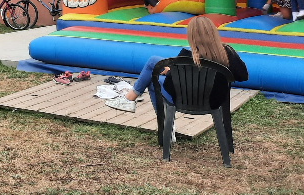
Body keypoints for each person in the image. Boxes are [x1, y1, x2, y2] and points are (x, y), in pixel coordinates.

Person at [105, 16, 249, 139]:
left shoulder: (186, 58)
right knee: (155, 62)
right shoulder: (228, 53)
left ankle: (162, 124)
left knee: (153, 78)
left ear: (192, 36)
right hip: (215, 101)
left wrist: (170, 73)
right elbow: (243, 76)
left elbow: (172, 86)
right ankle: (131, 98)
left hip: (185, 101)